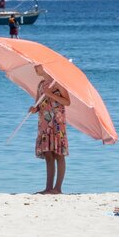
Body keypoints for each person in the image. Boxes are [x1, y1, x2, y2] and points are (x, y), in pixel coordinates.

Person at [28, 64, 70, 194]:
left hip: (57, 122)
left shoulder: (57, 83)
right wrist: (35, 109)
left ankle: (57, 188)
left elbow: (67, 101)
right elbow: (39, 104)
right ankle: (48, 187)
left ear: (46, 67)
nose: (35, 68)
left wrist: (51, 94)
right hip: (44, 124)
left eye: (37, 66)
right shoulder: (41, 84)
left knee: (58, 154)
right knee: (48, 154)